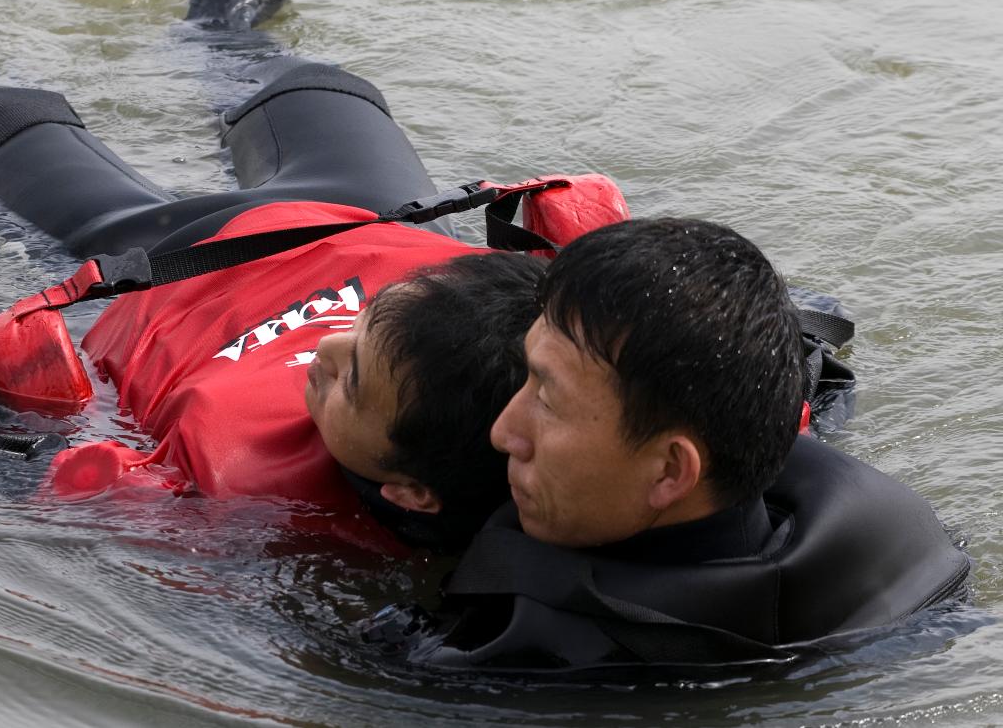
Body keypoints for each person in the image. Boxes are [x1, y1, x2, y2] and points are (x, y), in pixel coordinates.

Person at [0, 0, 629, 553]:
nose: (325, 348)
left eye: (353, 376)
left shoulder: (214, 498)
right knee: (308, 87)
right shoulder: (556, 367)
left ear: (411, 492)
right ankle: (227, 35)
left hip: (158, 258)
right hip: (359, 210)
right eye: (358, 331)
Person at [393, 218, 971, 670]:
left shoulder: (532, 655)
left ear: (670, 472)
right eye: (528, 375)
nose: (502, 432)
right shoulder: (886, 533)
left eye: (548, 400)